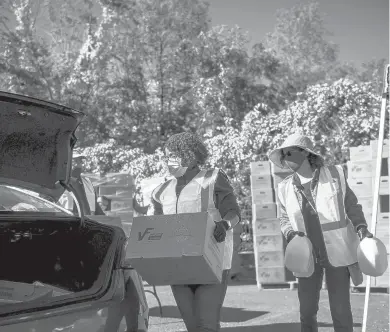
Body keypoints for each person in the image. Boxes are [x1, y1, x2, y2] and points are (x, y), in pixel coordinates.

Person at [268, 133, 373, 332]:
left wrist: (361, 227)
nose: (286, 159)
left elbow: (351, 205)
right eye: (283, 155)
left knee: (340, 310)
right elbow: (284, 219)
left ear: (306, 153)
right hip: (306, 256)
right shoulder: (284, 188)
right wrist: (290, 234)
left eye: (290, 153)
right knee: (307, 311)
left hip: (338, 251)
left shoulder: (334, 174)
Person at [150, 132, 241, 332]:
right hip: (177, 264)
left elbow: (234, 213)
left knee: (207, 324)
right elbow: (155, 225)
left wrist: (224, 225)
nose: (168, 161)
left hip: (212, 261)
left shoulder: (213, 178)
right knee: (192, 325)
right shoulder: (161, 190)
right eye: (166, 156)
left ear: (190, 156)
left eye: (172, 155)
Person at [58, 150, 105, 216]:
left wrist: (106, 221)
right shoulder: (57, 183)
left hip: (87, 223)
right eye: (75, 161)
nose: (79, 164)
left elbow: (96, 208)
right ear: (65, 163)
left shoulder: (87, 182)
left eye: (80, 161)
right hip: (65, 223)